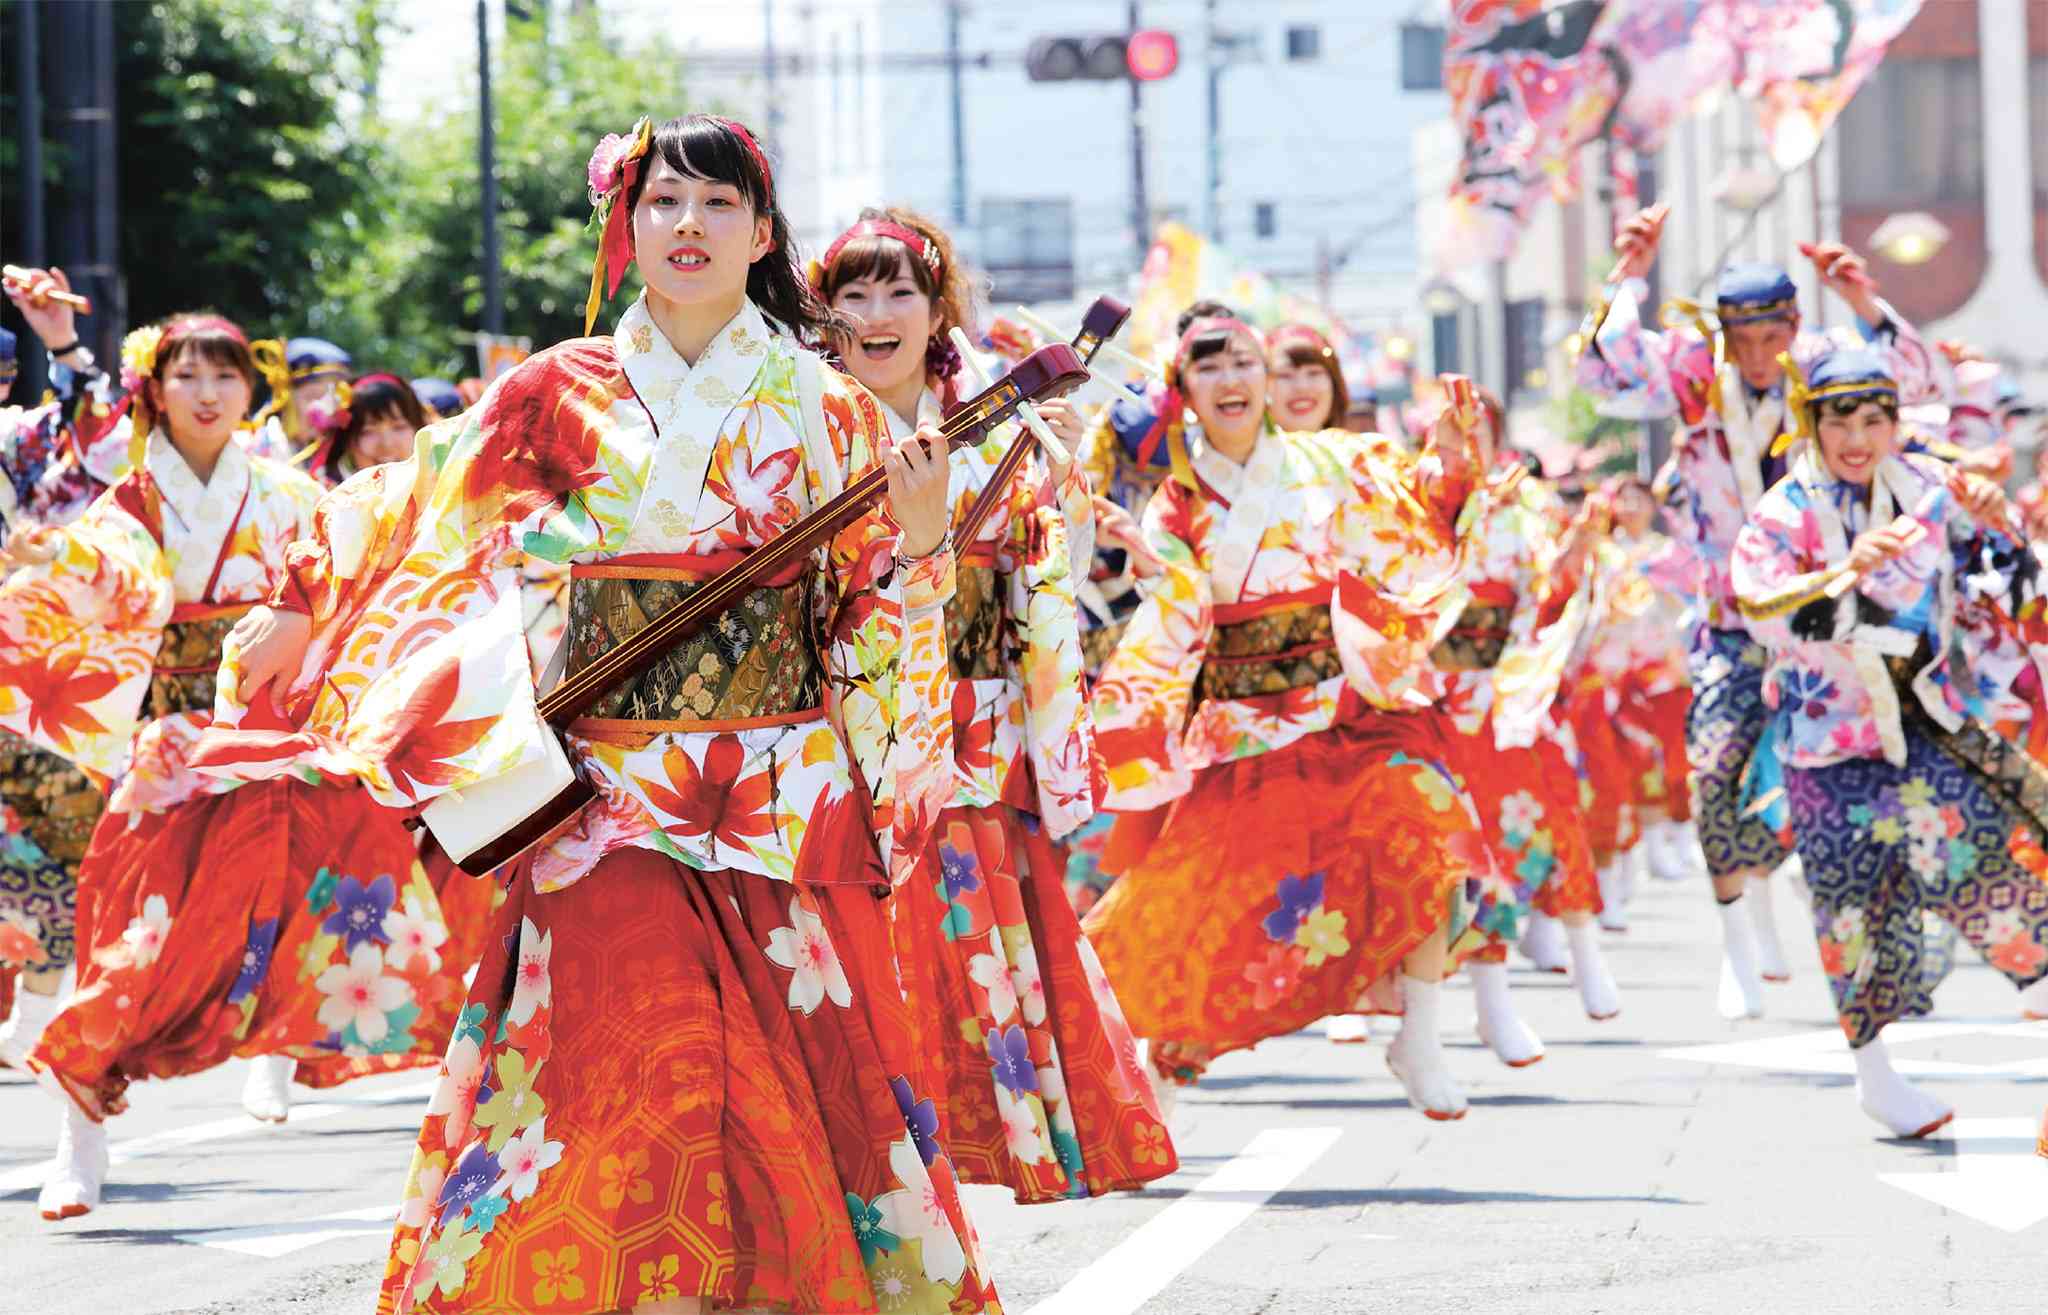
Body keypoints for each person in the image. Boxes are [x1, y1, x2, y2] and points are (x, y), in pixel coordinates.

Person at [212, 113, 1001, 1314]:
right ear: (625, 228)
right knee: (632, 1071)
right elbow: (416, 514)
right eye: (664, 203)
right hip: (600, 801)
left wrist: (928, 535)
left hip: (766, 797)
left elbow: (866, 617)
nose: (688, 225)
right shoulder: (546, 395)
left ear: (763, 233)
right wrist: (298, 600)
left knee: (766, 1087)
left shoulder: (827, 407)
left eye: (717, 205)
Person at [0, 310, 468, 1219]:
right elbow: (101, 576)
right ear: (155, 392)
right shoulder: (132, 500)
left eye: (224, 376)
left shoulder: (289, 496)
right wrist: (48, 558)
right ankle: (81, 1131)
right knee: (128, 938)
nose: (207, 394)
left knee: (295, 902)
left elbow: (356, 578)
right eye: (186, 377)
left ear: (250, 392)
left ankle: (276, 1054)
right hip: (163, 741)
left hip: (265, 732)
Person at [817, 205, 1174, 1203]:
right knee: (867, 958)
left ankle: (947, 1146)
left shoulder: (1000, 433)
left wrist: (1058, 480)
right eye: (854, 293)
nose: (878, 312)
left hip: (967, 731)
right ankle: (876, 1151)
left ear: (939, 314)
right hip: (837, 732)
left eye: (902, 292)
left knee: (965, 948)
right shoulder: (794, 428)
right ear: (823, 313)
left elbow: (1040, 589)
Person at [1080, 306, 1509, 1121]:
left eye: (1244, 360)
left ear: (1267, 379)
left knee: (1427, 824)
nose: (1231, 377)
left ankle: (1421, 1032)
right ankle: (1161, 1071)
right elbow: (1174, 615)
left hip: (1351, 708)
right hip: (1246, 726)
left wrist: (1451, 468)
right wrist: (1152, 570)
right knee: (1203, 907)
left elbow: (1416, 516)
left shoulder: (1337, 462)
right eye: (1208, 366)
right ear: (1183, 391)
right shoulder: (1178, 504)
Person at [1576, 204, 1939, 1020]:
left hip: (1829, 618)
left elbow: (1917, 381)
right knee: (1713, 773)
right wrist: (1628, 272)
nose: (1757, 350)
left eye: (1770, 329)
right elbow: (1603, 371)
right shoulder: (1695, 370)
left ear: (1794, 321)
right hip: (1733, 616)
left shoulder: (1823, 366)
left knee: (1856, 781)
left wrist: (1864, 299)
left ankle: (1875, 950)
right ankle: (1741, 937)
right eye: (1741, 333)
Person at [1731, 348, 2048, 1136]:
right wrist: (1843, 573)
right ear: (1811, 422)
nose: (1858, 437)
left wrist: (1995, 518)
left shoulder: (1930, 492)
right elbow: (1761, 609)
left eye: (1875, 419)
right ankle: (1876, 1077)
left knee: (2001, 873)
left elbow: (2000, 583)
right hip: (1826, 741)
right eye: (1840, 418)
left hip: (1924, 725)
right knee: (1854, 916)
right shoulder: (1782, 512)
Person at [1425, 385, 1616, 1052]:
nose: (1469, 441)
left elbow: (1549, 588)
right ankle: (1453, 1002)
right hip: (1432, 697)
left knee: (1550, 817)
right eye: (1456, 428)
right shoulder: (1413, 498)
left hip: (1506, 690)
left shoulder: (1523, 502)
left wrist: (1578, 548)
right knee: (1442, 851)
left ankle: (1584, 952)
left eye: (1480, 429)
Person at [308, 372, 430, 488]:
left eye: (399, 427)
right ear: (347, 440)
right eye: (368, 431)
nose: (387, 444)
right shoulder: (329, 504)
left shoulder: (442, 499)